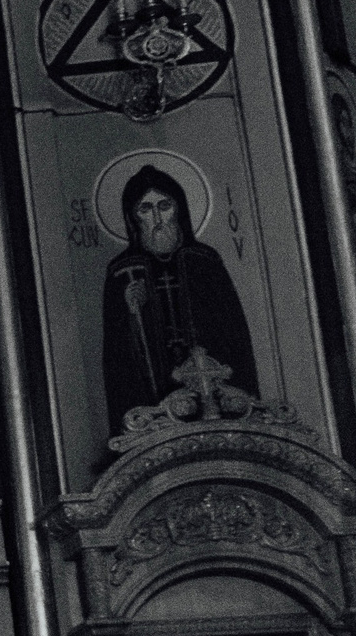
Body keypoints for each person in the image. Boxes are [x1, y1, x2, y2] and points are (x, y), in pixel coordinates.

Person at [100, 165, 260, 440]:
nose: (158, 218)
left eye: (164, 206)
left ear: (180, 209)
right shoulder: (122, 271)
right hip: (154, 406)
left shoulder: (204, 260)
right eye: (146, 209)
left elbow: (232, 331)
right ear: (132, 218)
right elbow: (116, 353)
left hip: (213, 391)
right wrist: (130, 310)